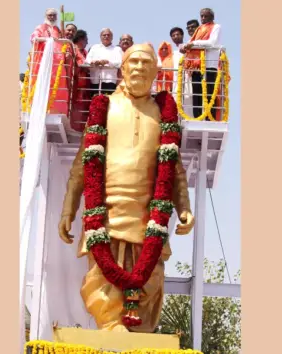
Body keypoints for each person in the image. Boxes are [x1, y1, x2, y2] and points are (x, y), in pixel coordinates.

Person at [58, 43, 195, 333]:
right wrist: (68, 210)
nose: (139, 69)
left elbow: (176, 169)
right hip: (106, 216)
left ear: (156, 72)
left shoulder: (162, 114)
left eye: (147, 64)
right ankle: (110, 325)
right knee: (102, 279)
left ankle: (140, 333)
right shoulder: (105, 108)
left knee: (151, 277)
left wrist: (184, 208)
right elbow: (81, 166)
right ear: (122, 68)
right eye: (134, 62)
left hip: (148, 221)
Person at [27, 8, 71, 115]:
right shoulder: (40, 27)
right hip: (45, 62)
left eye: (54, 15)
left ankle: (57, 111)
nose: (52, 17)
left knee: (59, 88)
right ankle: (40, 111)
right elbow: (33, 38)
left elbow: (65, 44)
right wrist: (44, 40)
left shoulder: (58, 30)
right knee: (43, 85)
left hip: (58, 63)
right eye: (49, 15)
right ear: (45, 16)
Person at [182, 8, 222, 120]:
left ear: (212, 17)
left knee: (209, 93)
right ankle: (197, 117)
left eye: (206, 16)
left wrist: (194, 44)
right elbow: (191, 44)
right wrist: (186, 48)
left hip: (209, 65)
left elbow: (212, 42)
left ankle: (210, 118)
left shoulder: (216, 27)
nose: (203, 18)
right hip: (196, 66)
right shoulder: (199, 29)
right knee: (197, 94)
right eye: (202, 16)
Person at [84, 28, 123, 96]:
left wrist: (107, 62)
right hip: (95, 80)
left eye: (108, 35)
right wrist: (93, 62)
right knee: (95, 103)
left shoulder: (117, 49)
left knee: (109, 103)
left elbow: (120, 63)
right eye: (104, 35)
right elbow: (87, 61)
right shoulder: (94, 47)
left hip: (110, 81)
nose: (106, 36)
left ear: (112, 37)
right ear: (100, 37)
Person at [70, 30, 90, 132]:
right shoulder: (73, 49)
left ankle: (81, 129)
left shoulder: (85, 52)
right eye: (86, 40)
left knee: (83, 108)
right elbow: (81, 64)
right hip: (76, 83)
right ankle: (74, 129)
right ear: (80, 40)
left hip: (85, 84)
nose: (87, 43)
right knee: (76, 108)